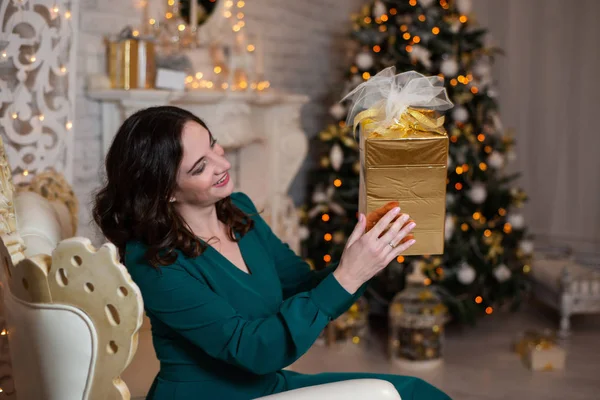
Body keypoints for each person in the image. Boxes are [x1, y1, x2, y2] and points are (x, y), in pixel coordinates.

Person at [93, 106, 451, 400]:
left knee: (417, 393)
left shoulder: (240, 211)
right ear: (165, 191)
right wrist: (349, 275)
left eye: (214, 146)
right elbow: (254, 350)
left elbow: (302, 285)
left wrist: (362, 258)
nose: (223, 164)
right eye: (200, 166)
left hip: (267, 386)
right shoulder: (153, 261)